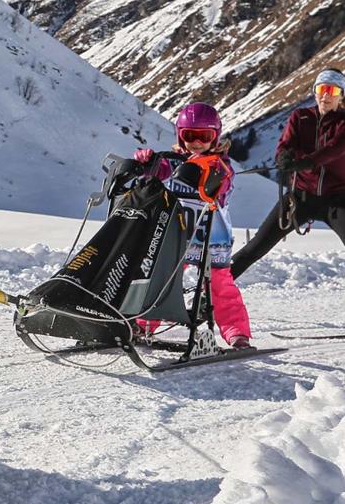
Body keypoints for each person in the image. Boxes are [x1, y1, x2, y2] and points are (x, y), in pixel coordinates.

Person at [133, 102, 252, 349]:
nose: (196, 142)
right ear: (180, 135)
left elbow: (222, 182)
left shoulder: (221, 164)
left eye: (204, 136)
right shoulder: (175, 161)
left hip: (211, 237)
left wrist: (197, 168)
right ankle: (145, 324)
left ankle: (236, 332)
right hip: (179, 234)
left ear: (215, 137)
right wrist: (148, 164)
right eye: (190, 136)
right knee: (163, 278)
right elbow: (160, 171)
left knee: (220, 285)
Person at [231, 68, 345, 280]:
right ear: (315, 92)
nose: (326, 95)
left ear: (341, 95)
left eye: (332, 90)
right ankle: (207, 296)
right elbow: (286, 145)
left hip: (337, 200)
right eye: (321, 89)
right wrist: (284, 157)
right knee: (255, 247)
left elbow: (335, 149)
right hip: (299, 197)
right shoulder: (300, 117)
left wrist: (306, 162)